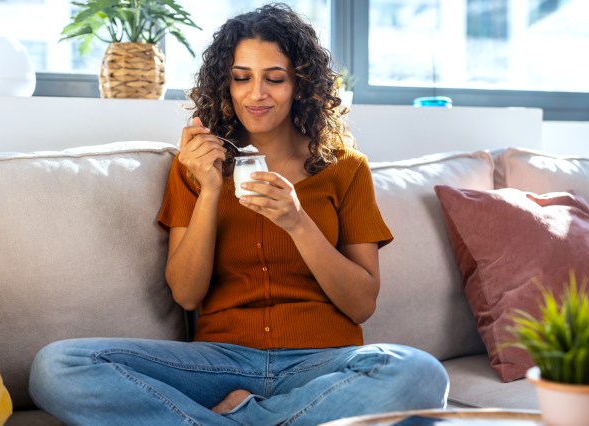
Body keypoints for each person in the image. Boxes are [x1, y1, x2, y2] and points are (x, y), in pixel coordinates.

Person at [29, 4, 449, 425]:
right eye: (241, 78)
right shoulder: (194, 167)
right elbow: (187, 295)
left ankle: (243, 416)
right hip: (217, 364)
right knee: (59, 366)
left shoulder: (346, 168)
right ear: (224, 84)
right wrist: (211, 189)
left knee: (419, 372)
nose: (256, 94)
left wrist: (298, 223)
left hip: (323, 363)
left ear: (301, 84)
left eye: (275, 79)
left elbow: (361, 305)